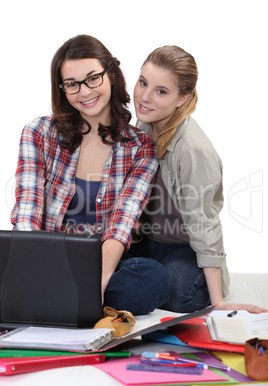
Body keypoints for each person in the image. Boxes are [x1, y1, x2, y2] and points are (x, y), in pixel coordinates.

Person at [10, 35, 170, 315]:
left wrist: (95, 285)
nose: (84, 92)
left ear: (111, 76)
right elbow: (28, 212)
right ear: (62, 89)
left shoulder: (140, 147)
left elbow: (123, 222)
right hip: (45, 257)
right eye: (72, 84)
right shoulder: (38, 133)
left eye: (92, 78)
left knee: (151, 278)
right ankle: (71, 302)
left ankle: (73, 301)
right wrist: (32, 276)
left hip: (101, 264)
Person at [130, 45, 267, 314]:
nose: (144, 97)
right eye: (143, 82)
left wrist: (218, 303)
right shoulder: (144, 126)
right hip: (146, 240)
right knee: (99, 269)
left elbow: (203, 222)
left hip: (182, 248)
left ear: (182, 98)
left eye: (161, 91)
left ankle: (199, 283)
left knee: (181, 293)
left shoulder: (193, 150)